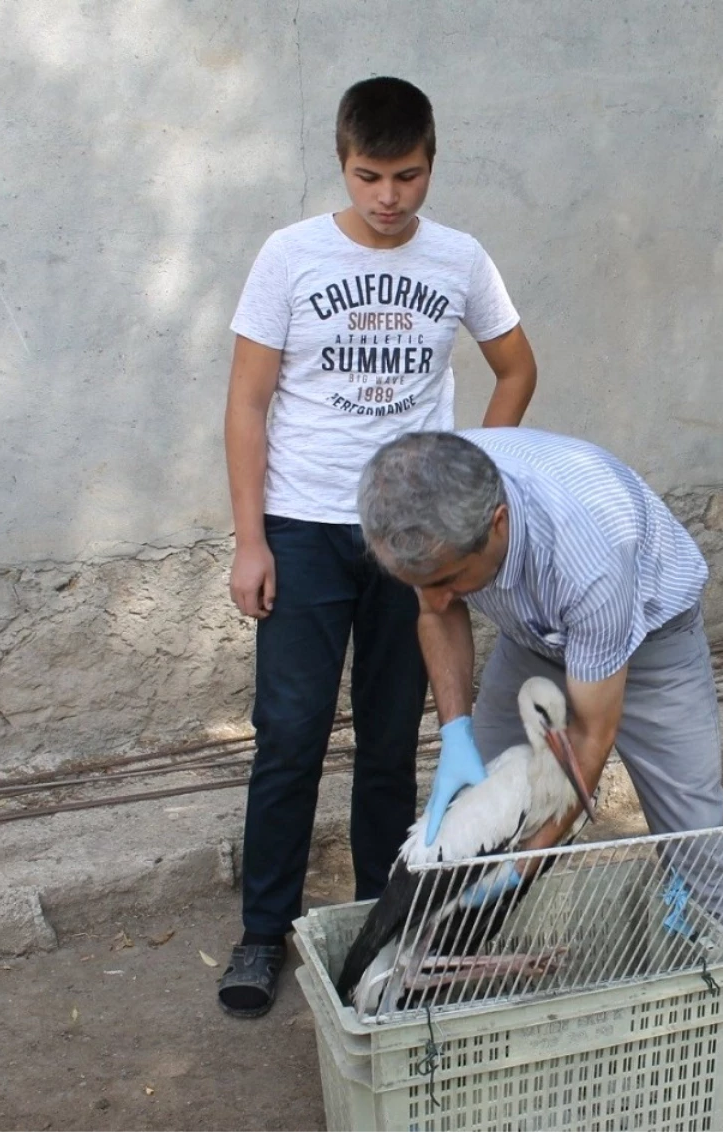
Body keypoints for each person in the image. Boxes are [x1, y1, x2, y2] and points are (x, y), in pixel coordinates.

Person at [217, 78, 538, 1018]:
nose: (388, 197)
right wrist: (250, 541)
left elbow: (516, 366)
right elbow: (246, 402)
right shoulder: (291, 256)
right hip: (307, 528)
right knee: (289, 734)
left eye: (406, 176)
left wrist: (471, 474)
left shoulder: (461, 259)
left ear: (432, 163)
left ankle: (379, 921)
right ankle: (261, 933)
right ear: (342, 162)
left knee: (392, 743)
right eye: (369, 176)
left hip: (413, 536)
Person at [356, 428, 723, 1132]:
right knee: (467, 833)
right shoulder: (419, 504)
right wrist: (456, 736)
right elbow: (436, 609)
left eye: (453, 576)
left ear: (499, 524)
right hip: (532, 639)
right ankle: (443, 1013)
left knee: (695, 836)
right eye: (422, 580)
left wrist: (534, 851)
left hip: (649, 638)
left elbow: (590, 742)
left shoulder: (590, 554)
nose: (440, 594)